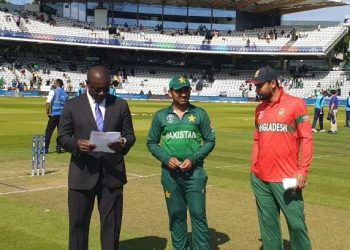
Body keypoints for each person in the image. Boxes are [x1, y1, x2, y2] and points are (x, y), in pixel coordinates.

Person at [58, 66, 136, 250]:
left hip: (112, 175)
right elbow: (62, 138)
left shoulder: (120, 105)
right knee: (78, 225)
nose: (101, 93)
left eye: (105, 89)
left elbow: (130, 135)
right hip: (82, 175)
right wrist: (77, 144)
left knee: (112, 226)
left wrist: (123, 142)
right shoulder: (72, 105)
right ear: (87, 84)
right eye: (96, 89)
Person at [146, 75, 215, 250]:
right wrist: (166, 158)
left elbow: (210, 141)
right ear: (171, 93)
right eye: (179, 91)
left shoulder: (200, 113)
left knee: (198, 214)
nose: (184, 94)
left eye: (186, 90)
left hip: (195, 173)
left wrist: (193, 159)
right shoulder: (161, 116)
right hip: (170, 175)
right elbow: (151, 142)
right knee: (176, 215)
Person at [247, 66, 312, 250]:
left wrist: (303, 170)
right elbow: (257, 139)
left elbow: (306, 138)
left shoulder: (296, 104)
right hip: (260, 178)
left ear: (273, 83)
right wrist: (254, 166)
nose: (256, 90)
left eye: (259, 85)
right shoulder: (259, 109)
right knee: (268, 228)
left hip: (287, 179)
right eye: (255, 86)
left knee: (297, 225)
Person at [44, 78, 68, 153]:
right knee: (60, 132)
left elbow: (48, 103)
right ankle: (59, 148)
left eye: (54, 83)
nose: (53, 84)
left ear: (58, 84)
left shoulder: (53, 91)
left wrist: (48, 112)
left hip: (54, 115)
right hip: (62, 115)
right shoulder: (65, 93)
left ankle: (46, 149)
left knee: (48, 132)